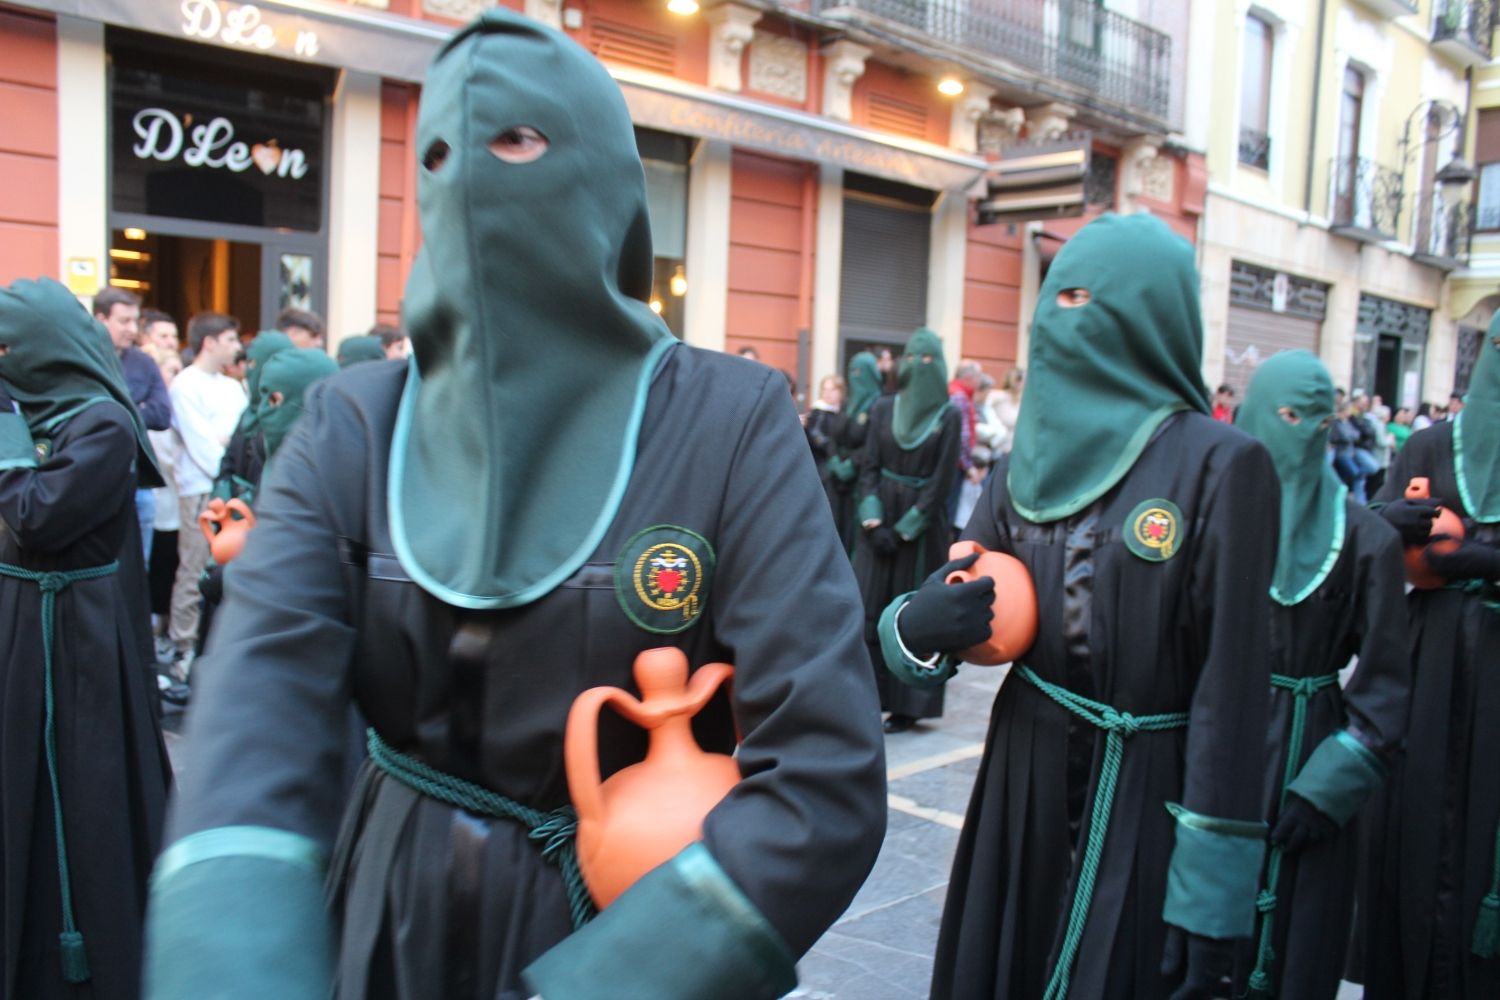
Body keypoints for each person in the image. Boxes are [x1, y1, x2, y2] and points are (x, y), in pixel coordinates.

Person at [142, 12, 885, 1000]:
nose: (476, 178)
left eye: (519, 141)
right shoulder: (353, 425)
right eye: (441, 152)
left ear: (601, 177)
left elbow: (823, 775)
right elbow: (259, 706)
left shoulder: (726, 420)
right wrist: (233, 956)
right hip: (381, 920)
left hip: (621, 930)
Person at [877, 214, 1278, 1000]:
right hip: (1019, 780)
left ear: (1150, 317)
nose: (1063, 316)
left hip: (1147, 794)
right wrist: (916, 628)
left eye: (1090, 298)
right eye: (1057, 296)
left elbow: (1233, 696)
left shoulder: (1224, 465)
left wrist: (1211, 901)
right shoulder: (1025, 458)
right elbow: (964, 579)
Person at [0, 277, 172, 999]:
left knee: (85, 801)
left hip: (81, 651)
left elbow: (38, 517)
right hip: (23, 639)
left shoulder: (103, 422)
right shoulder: (33, 414)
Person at [1233, 351, 1410, 1000]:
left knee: (1296, 946)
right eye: (1282, 416)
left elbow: (1388, 686)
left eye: (1314, 419)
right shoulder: (1206, 525)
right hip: (1214, 751)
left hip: (1309, 755)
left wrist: (1326, 790)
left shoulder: (1367, 540)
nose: (1297, 431)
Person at [1356, 319, 1500, 1000]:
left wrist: (1488, 563)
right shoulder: (1427, 445)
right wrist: (1387, 524)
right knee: (1415, 829)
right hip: (1426, 666)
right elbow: (1375, 550)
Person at [852, 327, 962, 734]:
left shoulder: (948, 415)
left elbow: (942, 480)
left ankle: (908, 704)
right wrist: (874, 520)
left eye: (928, 359)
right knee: (867, 608)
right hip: (877, 526)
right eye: (912, 357)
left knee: (912, 614)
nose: (918, 366)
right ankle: (865, 696)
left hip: (919, 531)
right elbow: (869, 468)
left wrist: (906, 529)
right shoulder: (882, 408)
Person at [165, 314, 244, 671]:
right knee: (194, 567)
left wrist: (225, 444)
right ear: (209, 342)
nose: (236, 347)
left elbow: (239, 436)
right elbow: (202, 444)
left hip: (230, 490)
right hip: (200, 490)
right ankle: (184, 643)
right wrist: (223, 446)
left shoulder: (230, 386)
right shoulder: (185, 385)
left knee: (223, 567)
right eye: (229, 339)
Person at [96, 288, 171, 560]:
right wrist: (135, 406)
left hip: (139, 483)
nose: (131, 329)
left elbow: (162, 415)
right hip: (97, 484)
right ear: (101, 319)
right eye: (124, 321)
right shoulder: (87, 360)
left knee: (140, 568)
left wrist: (116, 408)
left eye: (134, 321)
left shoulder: (144, 362)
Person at [211, 331, 292, 508]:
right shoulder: (249, 413)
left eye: (254, 363)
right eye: (248, 363)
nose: (248, 370)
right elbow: (229, 461)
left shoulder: (288, 417)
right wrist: (224, 492)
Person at [815, 352, 881, 555]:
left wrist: (852, 464)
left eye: (860, 371)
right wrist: (835, 461)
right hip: (837, 482)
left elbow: (873, 444)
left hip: (859, 481)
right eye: (852, 371)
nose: (855, 376)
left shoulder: (878, 406)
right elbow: (834, 435)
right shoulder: (849, 405)